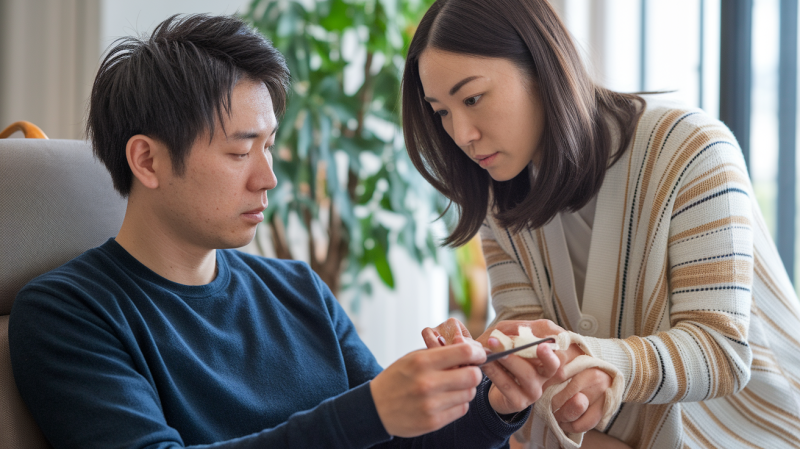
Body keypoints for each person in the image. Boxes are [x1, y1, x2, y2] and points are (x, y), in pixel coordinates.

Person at [8, 14, 562, 449]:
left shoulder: (299, 291)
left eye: (268, 147)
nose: (268, 177)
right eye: (240, 151)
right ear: (147, 161)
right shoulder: (68, 313)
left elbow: (392, 445)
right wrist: (368, 411)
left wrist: (493, 408)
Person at [400, 0, 800, 448]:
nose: (461, 134)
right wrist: (490, 362)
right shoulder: (499, 199)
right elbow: (538, 360)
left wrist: (603, 363)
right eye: (442, 112)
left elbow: (721, 351)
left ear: (541, 66)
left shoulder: (692, 149)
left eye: (472, 98)